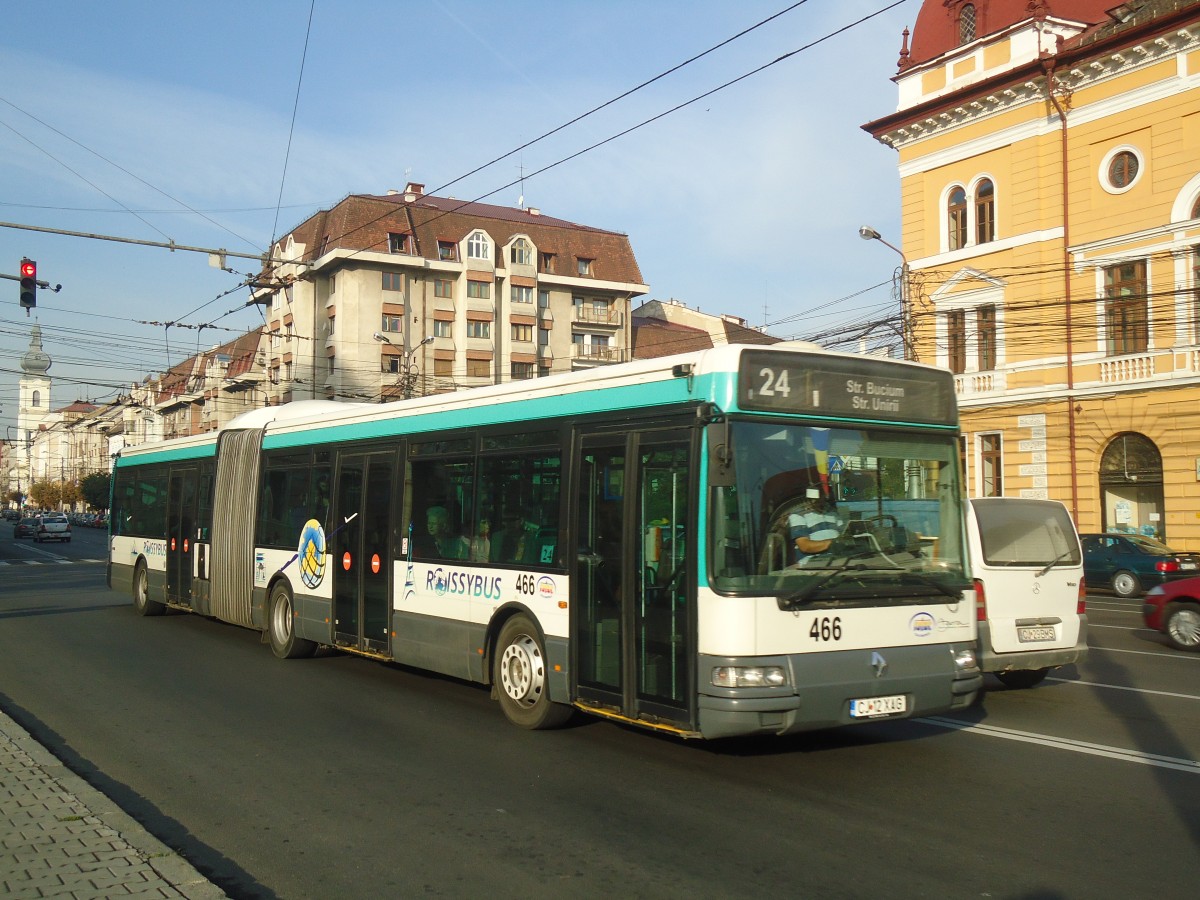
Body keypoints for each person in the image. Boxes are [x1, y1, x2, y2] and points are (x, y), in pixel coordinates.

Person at [786, 493, 844, 564]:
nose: (817, 498)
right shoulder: (798, 515)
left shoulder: (833, 513)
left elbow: (844, 535)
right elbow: (805, 546)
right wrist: (833, 543)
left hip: (838, 558)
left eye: (821, 493)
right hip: (812, 563)